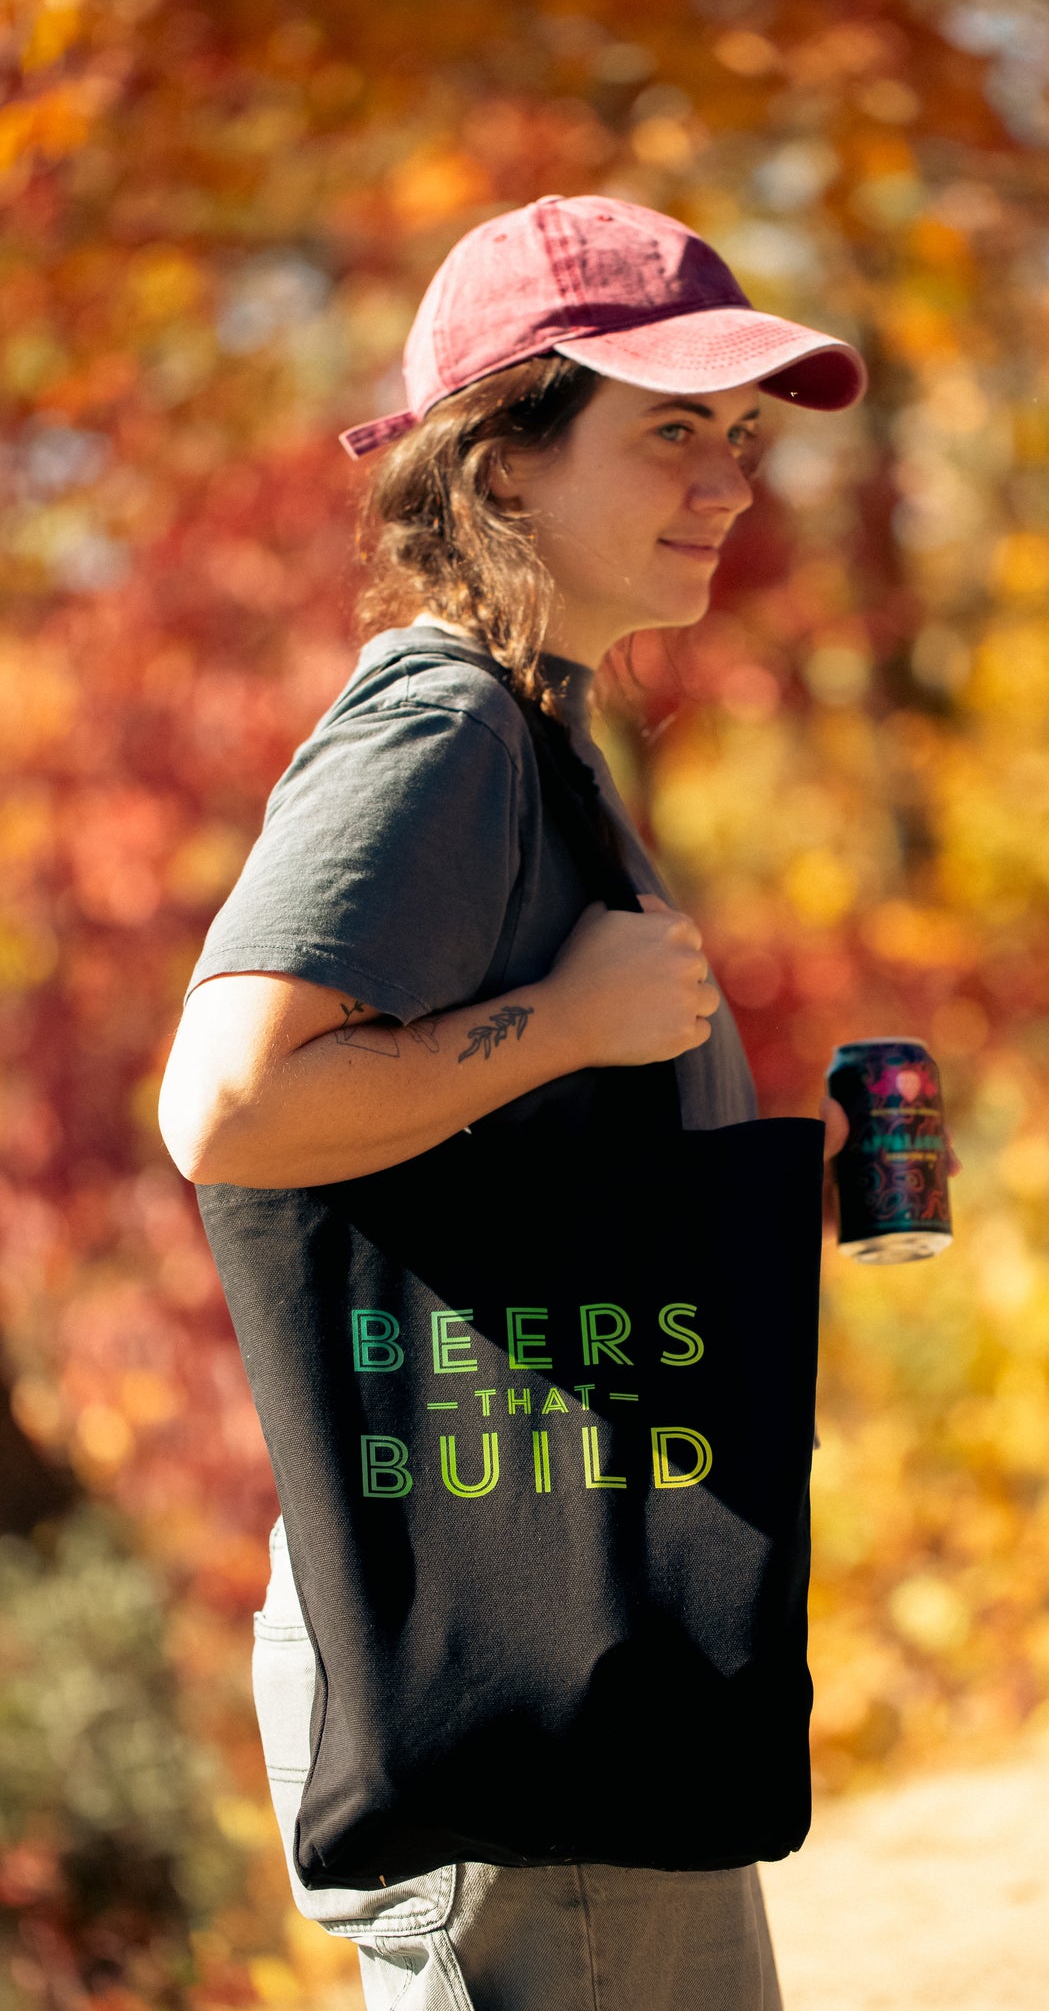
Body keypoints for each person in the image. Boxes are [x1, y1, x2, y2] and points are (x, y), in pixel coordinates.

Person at [159, 194, 866, 2011]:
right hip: (515, 1628)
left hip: (564, 1608)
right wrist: (561, 1027)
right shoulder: (441, 725)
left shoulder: (537, 732)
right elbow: (225, 1112)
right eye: (670, 430)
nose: (729, 480)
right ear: (500, 463)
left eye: (743, 437)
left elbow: (516, 1158)